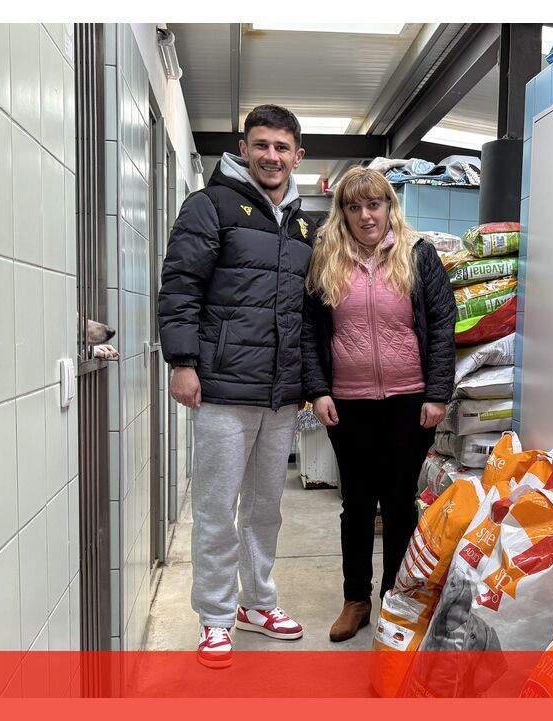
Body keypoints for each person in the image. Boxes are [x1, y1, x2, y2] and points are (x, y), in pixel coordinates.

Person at [158, 104, 315, 668]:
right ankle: (216, 617)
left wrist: (306, 381)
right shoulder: (210, 205)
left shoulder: (302, 225)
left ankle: (258, 603)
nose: (271, 156)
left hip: (279, 395)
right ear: (243, 148)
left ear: (298, 156)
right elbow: (180, 286)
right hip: (223, 390)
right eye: (261, 145)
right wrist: (182, 361)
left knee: (265, 510)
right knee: (217, 508)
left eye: (282, 147)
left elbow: (305, 313)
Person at [301, 166, 456, 642]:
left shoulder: (418, 254)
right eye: (354, 206)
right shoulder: (326, 256)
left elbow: (442, 324)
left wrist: (437, 394)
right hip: (348, 404)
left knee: (399, 504)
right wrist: (318, 390)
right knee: (356, 504)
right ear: (342, 212)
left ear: (390, 206)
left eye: (374, 204)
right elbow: (309, 330)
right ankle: (356, 600)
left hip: (409, 401)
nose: (366, 215)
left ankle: (395, 598)